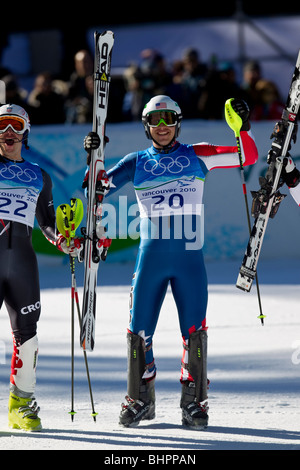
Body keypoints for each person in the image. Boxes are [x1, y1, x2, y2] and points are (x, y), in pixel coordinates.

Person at [84, 95, 258, 429]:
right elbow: (95, 187)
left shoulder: (197, 154)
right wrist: (94, 155)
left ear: (177, 122)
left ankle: (194, 403)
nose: (162, 127)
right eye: (154, 120)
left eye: (168, 119)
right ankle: (139, 400)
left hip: (189, 260)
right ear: (146, 126)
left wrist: (243, 128)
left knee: (194, 331)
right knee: (138, 331)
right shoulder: (136, 161)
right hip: (150, 259)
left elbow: (247, 156)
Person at [0, 103, 76, 431]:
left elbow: (47, 223)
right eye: (2, 126)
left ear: (26, 132)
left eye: (16, 126)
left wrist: (63, 241)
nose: (9, 133)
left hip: (22, 263)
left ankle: (21, 405)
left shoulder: (38, 175)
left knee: (27, 335)